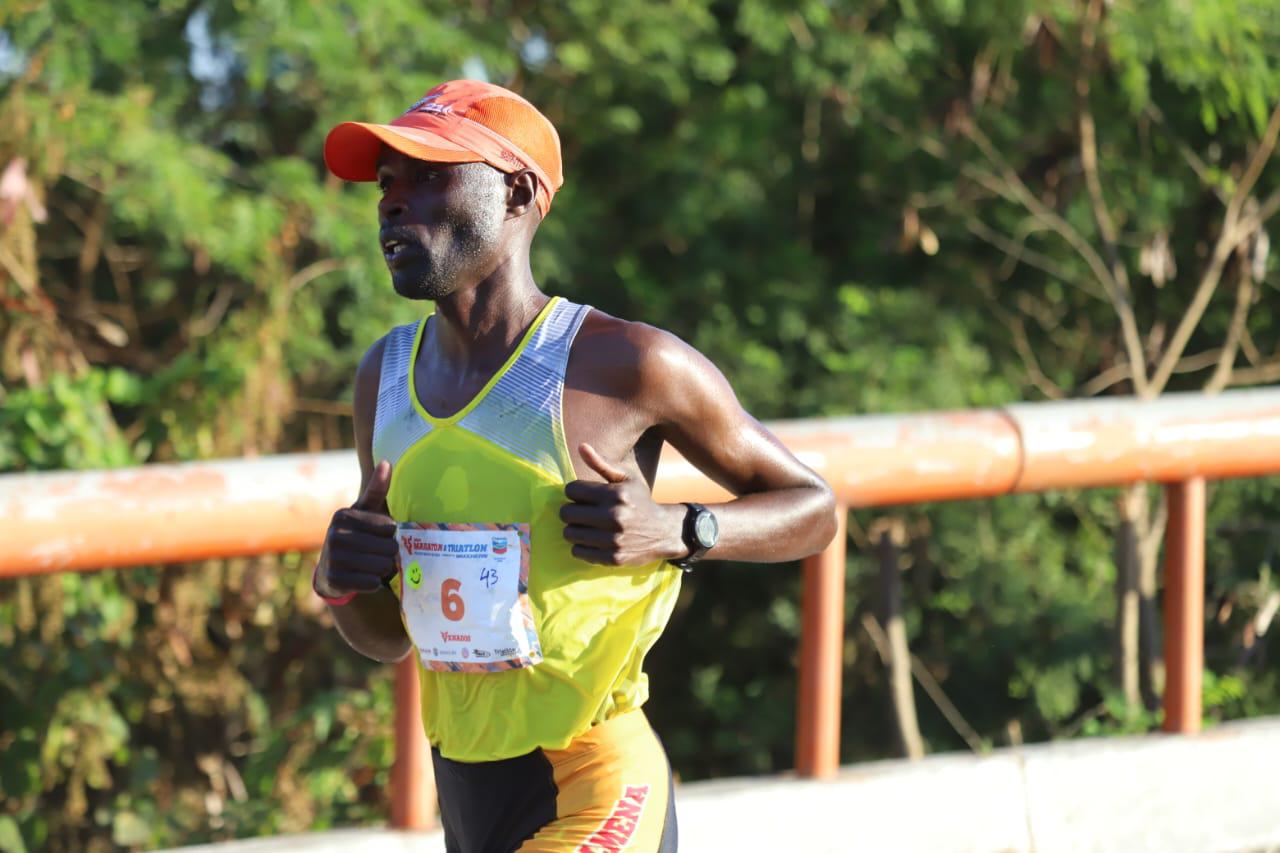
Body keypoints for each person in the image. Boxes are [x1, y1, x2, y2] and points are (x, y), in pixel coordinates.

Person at [314, 79, 837, 853]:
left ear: (518, 191)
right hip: (464, 789)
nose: (393, 202)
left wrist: (678, 528)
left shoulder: (625, 364)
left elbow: (814, 507)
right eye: (388, 183)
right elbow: (387, 636)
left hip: (593, 780)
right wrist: (341, 579)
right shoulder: (383, 377)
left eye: (428, 176)